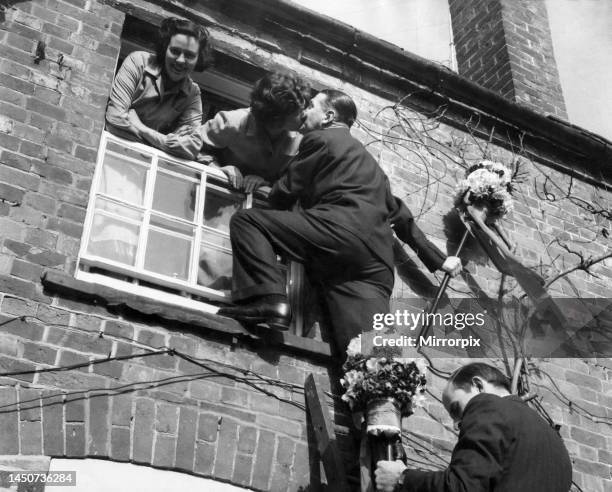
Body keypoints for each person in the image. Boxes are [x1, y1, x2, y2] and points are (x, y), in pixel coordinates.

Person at [217, 89, 462, 351]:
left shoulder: (319, 140)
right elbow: (401, 215)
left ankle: (268, 300)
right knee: (372, 353)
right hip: (373, 265)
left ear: (328, 116)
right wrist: (438, 260)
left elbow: (284, 193)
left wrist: (264, 183)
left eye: (311, 106)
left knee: (248, 222)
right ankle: (384, 386)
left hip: (337, 234)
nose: (304, 112)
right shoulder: (372, 167)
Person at [375, 362, 572, 492]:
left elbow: (462, 486)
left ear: (477, 386)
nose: (457, 423)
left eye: (456, 408)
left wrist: (402, 478)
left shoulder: (489, 407)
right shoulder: (556, 444)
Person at [106, 17, 212, 159]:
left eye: (189, 55)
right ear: (164, 49)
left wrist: (141, 128)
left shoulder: (192, 94)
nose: (180, 60)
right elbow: (115, 120)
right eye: (175, 51)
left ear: (198, 59)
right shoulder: (138, 62)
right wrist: (164, 144)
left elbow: (191, 148)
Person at [198, 71, 312, 192]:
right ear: (276, 118)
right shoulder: (231, 122)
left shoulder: (302, 140)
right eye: (297, 111)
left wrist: (266, 183)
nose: (305, 113)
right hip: (213, 191)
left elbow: (292, 182)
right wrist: (216, 168)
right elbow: (194, 146)